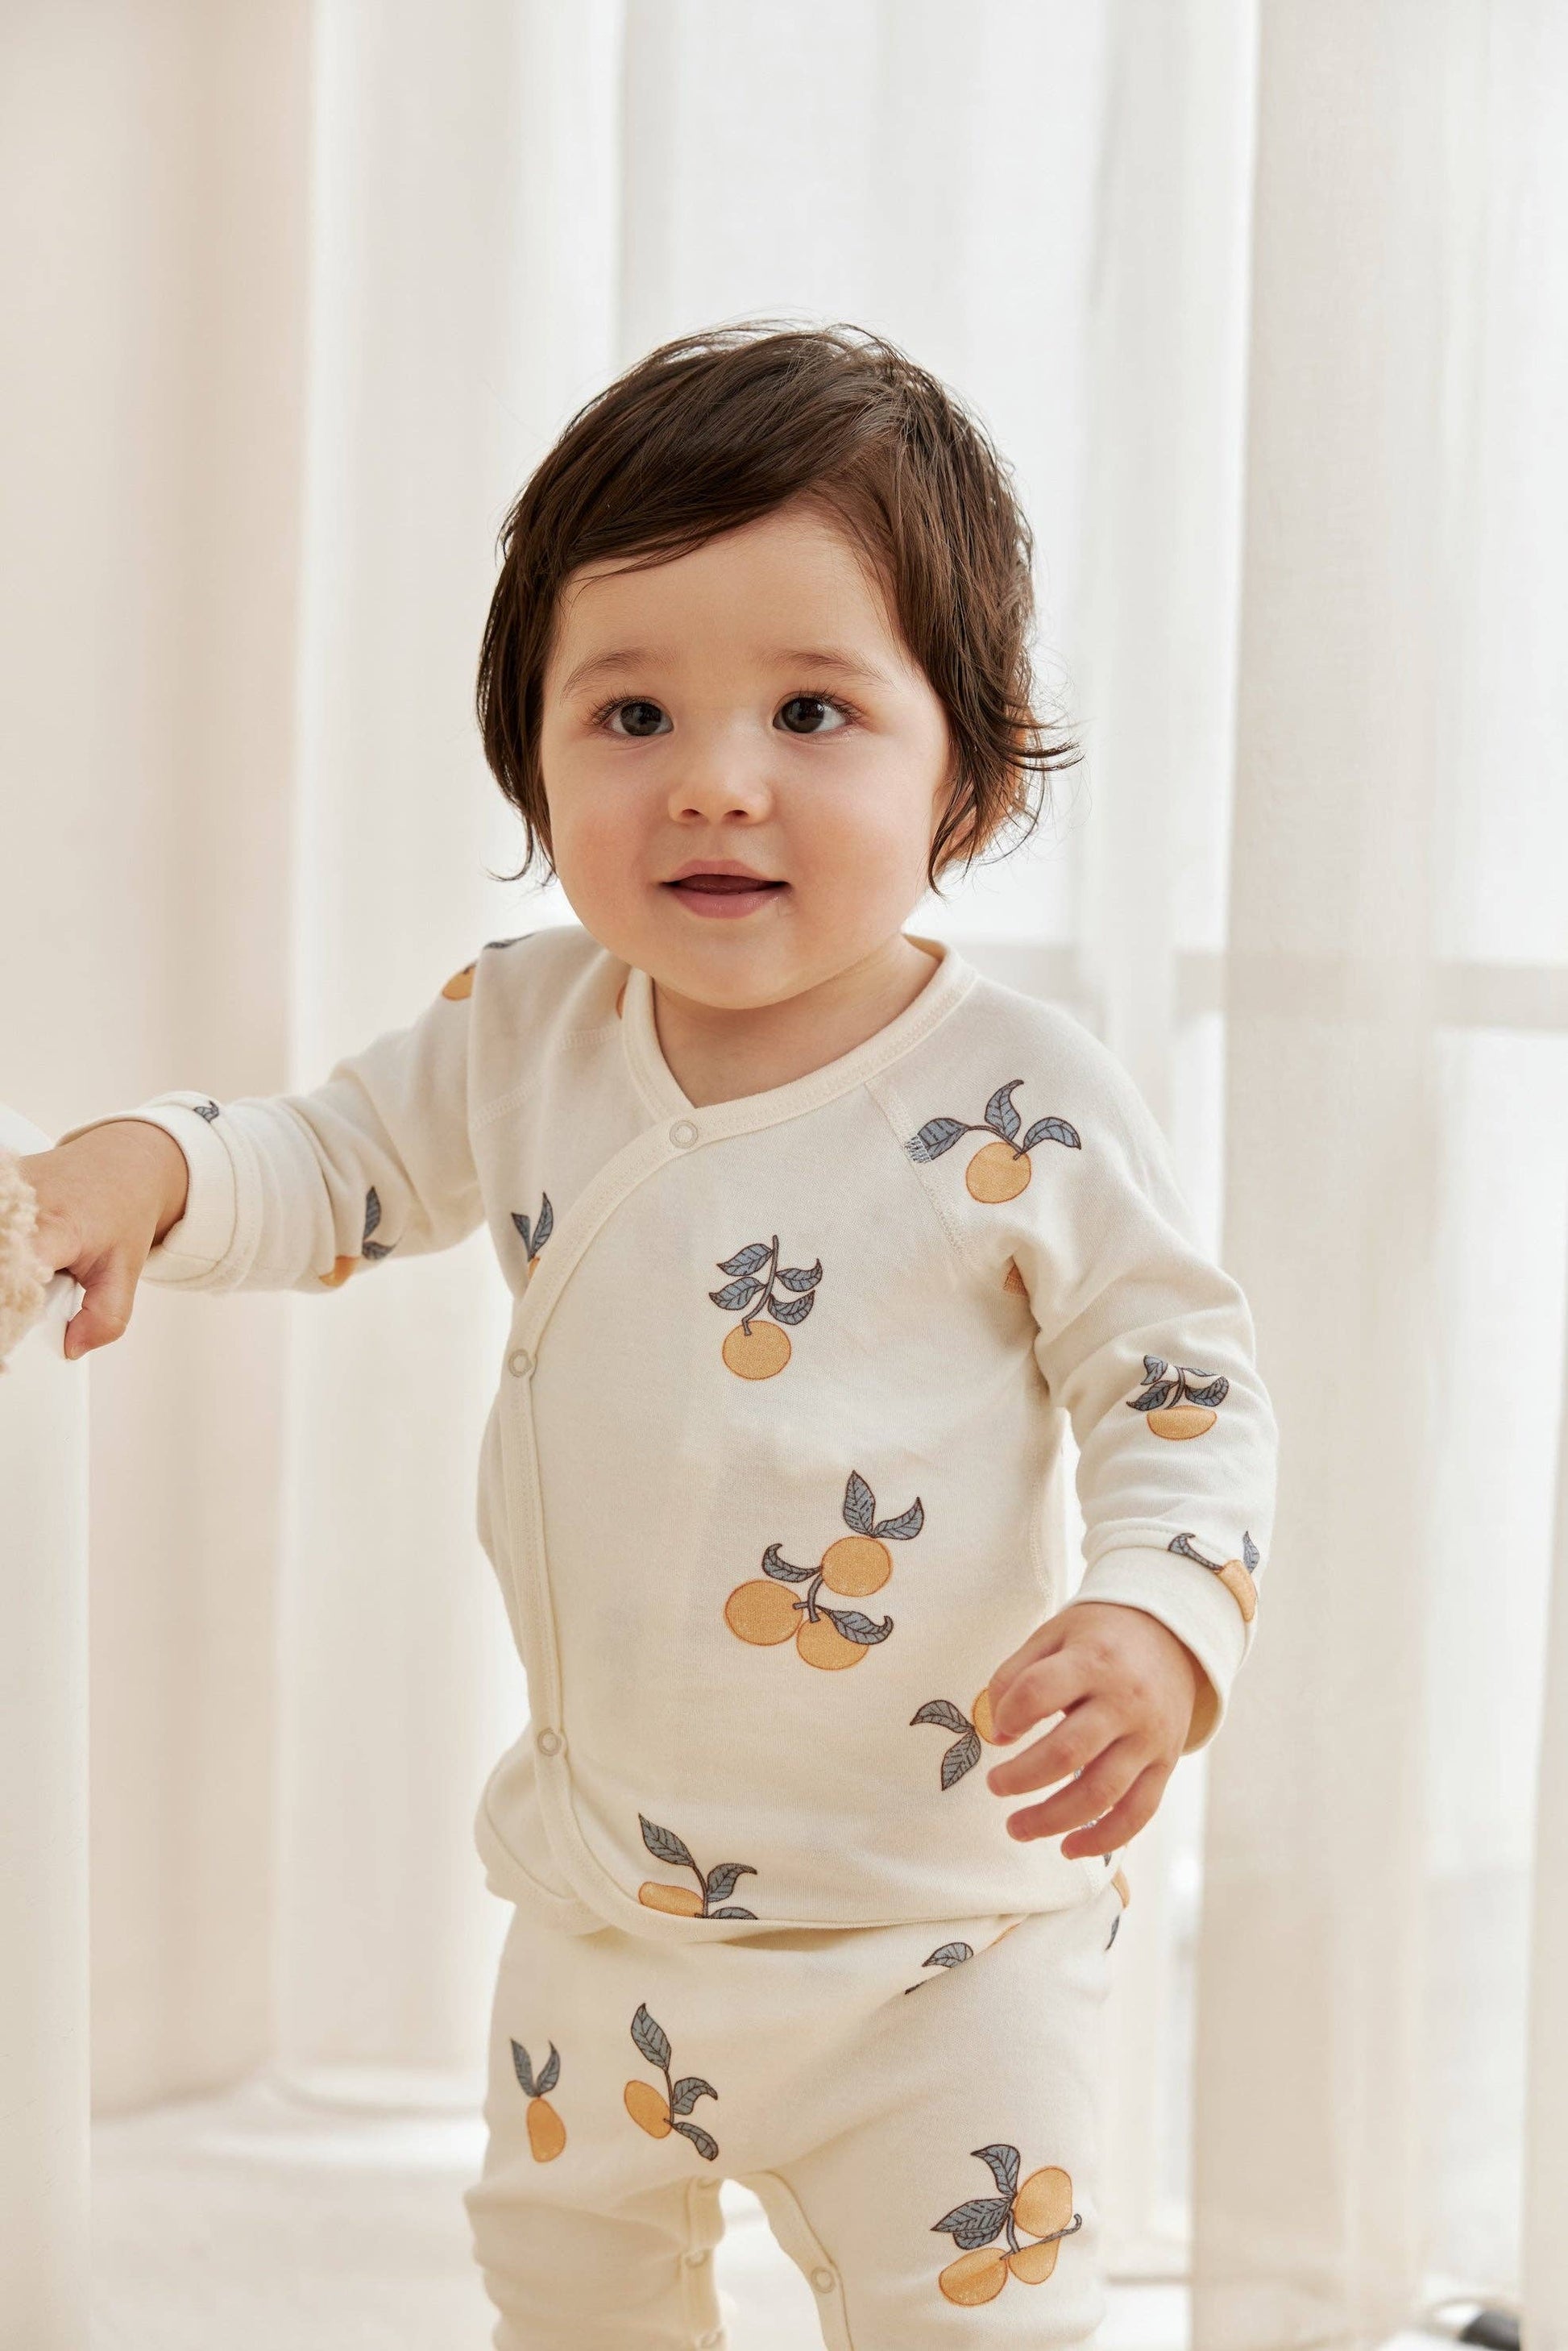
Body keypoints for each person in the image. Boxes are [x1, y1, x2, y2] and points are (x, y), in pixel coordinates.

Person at [21, 322, 1276, 2349]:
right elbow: (329, 1159)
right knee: (568, 2284)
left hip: (941, 1933)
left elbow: (1181, 1384)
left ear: (969, 752)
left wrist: (1159, 1618)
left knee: (983, 2321)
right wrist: (145, 1172)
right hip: (608, 1908)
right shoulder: (527, 1034)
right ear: (529, 743)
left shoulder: (1018, 1095)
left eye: (810, 707)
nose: (713, 778)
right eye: (627, 711)